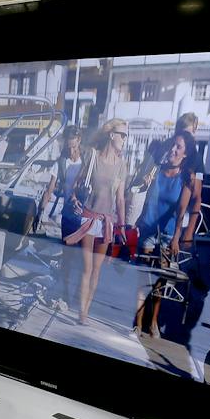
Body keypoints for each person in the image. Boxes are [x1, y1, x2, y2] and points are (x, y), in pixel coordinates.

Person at [131, 129, 198, 336]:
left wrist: (177, 237)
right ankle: (138, 322)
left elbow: (181, 211)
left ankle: (152, 321)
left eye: (179, 147)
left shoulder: (187, 177)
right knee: (143, 278)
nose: (173, 150)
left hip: (169, 233)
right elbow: (137, 190)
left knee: (161, 279)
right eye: (173, 145)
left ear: (185, 153)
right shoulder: (156, 170)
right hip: (148, 227)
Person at [66, 119, 129, 325]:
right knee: (87, 267)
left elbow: (120, 199)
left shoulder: (121, 165)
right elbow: (76, 185)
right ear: (112, 135)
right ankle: (82, 313)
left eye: (126, 136)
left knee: (97, 269)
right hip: (89, 216)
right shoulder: (92, 157)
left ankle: (86, 307)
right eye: (122, 135)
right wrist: (75, 198)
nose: (124, 139)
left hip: (106, 222)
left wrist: (122, 225)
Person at [38, 125, 85, 312]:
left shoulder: (87, 161)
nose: (71, 151)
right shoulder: (61, 163)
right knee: (68, 257)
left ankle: (76, 298)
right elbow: (50, 189)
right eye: (68, 147)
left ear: (79, 141)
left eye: (74, 147)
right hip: (68, 215)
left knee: (82, 260)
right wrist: (41, 210)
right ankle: (65, 295)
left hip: (85, 215)